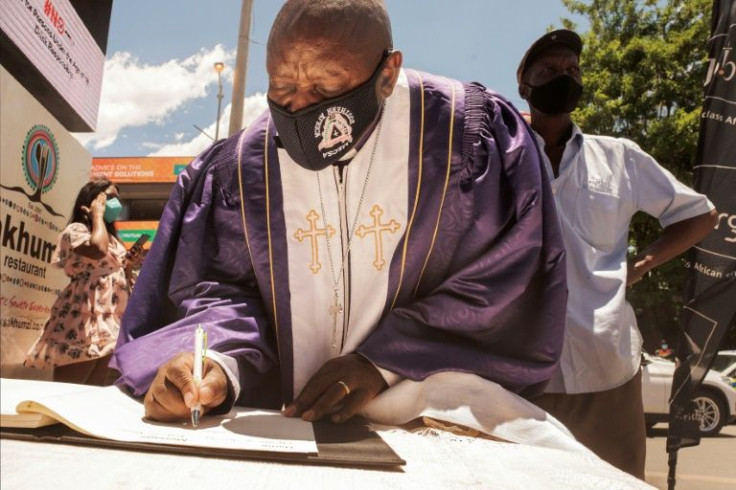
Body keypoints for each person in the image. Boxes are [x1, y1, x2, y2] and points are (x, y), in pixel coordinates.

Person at [111, 0, 567, 428]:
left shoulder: (465, 138)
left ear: (387, 74)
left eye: (326, 88)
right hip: (286, 421)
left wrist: (384, 361)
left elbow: (506, 277)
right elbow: (219, 286)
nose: (301, 108)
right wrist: (215, 362)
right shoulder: (245, 166)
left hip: (423, 421)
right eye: (282, 88)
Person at [516, 29, 718, 478]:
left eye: (572, 69)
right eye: (549, 70)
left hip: (606, 370)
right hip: (520, 375)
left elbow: (700, 215)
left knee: (617, 483)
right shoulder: (498, 158)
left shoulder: (619, 158)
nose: (563, 76)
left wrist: (642, 264)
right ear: (524, 86)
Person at [25, 179, 143, 385]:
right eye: (109, 198)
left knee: (93, 388)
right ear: (91, 201)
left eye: (117, 198)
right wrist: (96, 215)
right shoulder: (77, 230)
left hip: (110, 318)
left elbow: (117, 272)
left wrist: (129, 264)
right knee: (69, 388)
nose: (115, 203)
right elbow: (97, 250)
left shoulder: (112, 238)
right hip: (85, 315)